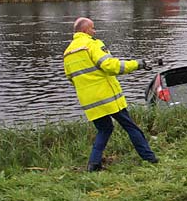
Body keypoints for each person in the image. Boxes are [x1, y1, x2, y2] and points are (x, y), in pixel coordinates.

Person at [63, 17, 158, 172]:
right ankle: (149, 157)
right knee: (131, 126)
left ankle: (93, 164)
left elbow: (71, 78)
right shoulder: (92, 44)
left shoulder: (67, 53)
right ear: (85, 30)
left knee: (104, 129)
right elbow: (111, 66)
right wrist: (138, 64)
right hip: (107, 97)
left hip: (89, 101)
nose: (94, 31)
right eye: (93, 28)